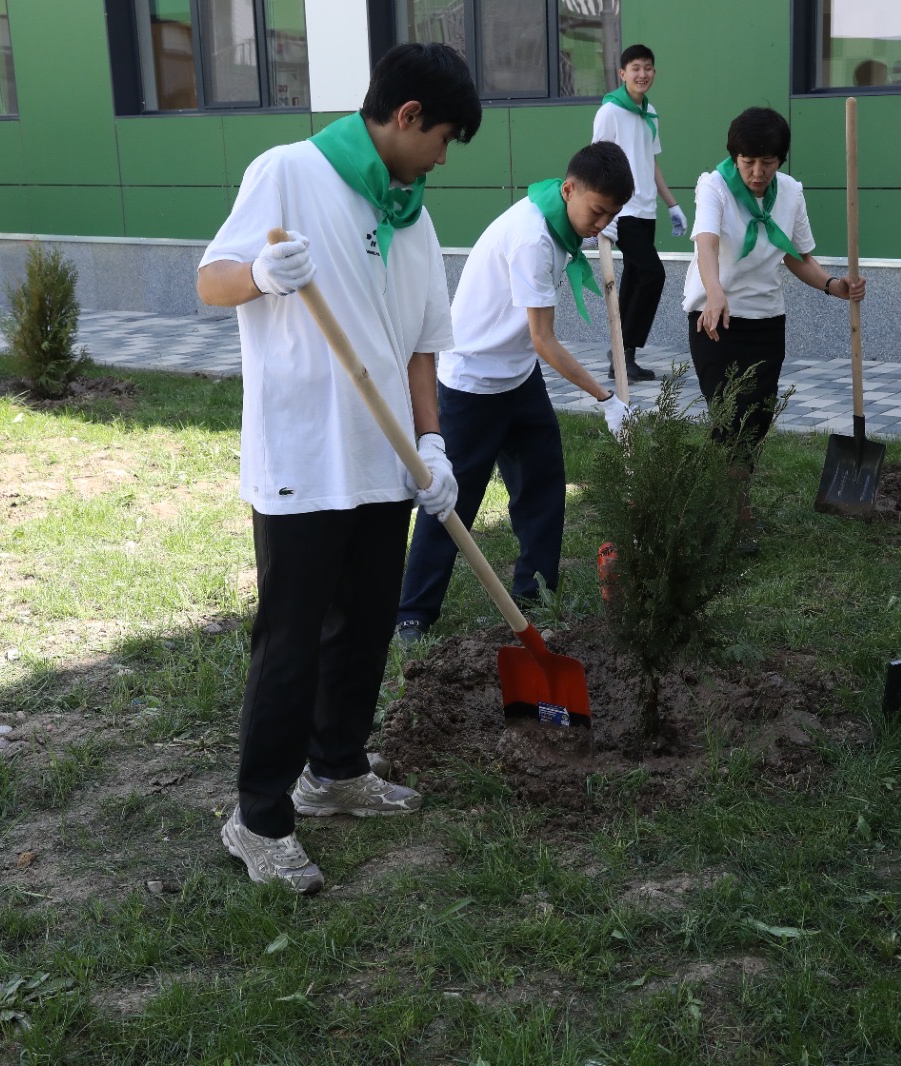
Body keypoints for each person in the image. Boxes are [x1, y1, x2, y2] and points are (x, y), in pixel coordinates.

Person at [196, 43, 481, 894]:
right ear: (405, 117)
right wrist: (258, 274)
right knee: (290, 640)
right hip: (302, 461)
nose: (443, 156)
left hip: (384, 464)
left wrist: (432, 446)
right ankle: (257, 818)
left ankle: (336, 770)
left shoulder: (414, 217)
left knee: (363, 627)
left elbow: (424, 347)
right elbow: (209, 281)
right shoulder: (288, 173)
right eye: (443, 138)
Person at [395, 142, 635, 644]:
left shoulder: (558, 217)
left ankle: (536, 592)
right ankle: (414, 613)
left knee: (544, 485)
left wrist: (595, 219)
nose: (601, 226)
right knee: (451, 499)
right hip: (472, 383)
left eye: (611, 216)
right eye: (597, 212)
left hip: (518, 376)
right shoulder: (533, 239)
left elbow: (532, 345)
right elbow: (544, 339)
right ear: (569, 189)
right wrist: (605, 397)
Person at [682, 107, 864, 538]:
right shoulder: (714, 186)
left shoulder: (791, 193)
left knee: (757, 417)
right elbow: (706, 244)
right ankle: (732, 513)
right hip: (714, 316)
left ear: (781, 160)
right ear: (735, 157)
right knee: (730, 416)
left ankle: (722, 502)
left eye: (768, 162)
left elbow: (796, 255)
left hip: (765, 319)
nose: (758, 172)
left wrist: (832, 284)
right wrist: (715, 292)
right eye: (748, 162)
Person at [592, 43, 684, 384]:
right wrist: (602, 214)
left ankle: (623, 358)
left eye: (648, 68)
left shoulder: (650, 113)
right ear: (622, 73)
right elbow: (598, 163)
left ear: (653, 73)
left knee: (634, 280)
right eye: (635, 68)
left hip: (647, 210)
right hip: (623, 211)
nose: (642, 74)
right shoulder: (610, 112)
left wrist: (672, 203)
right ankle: (623, 349)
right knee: (653, 274)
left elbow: (651, 161)